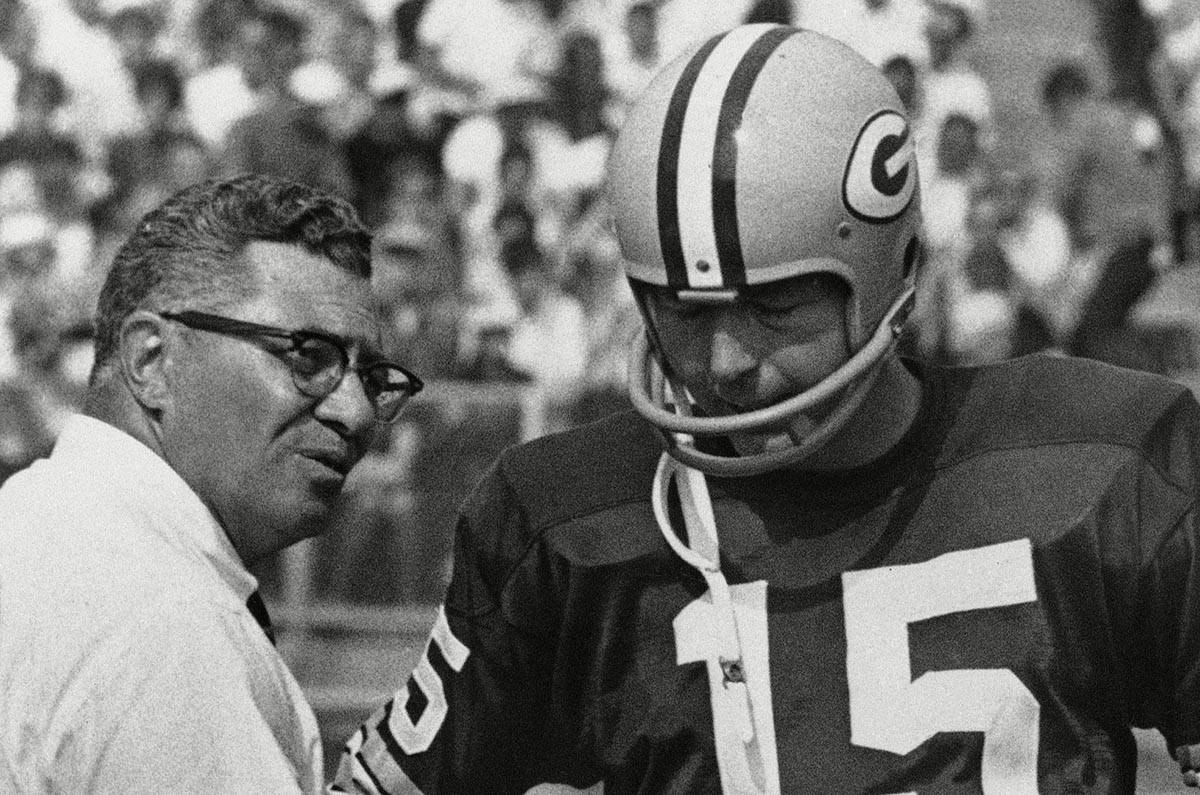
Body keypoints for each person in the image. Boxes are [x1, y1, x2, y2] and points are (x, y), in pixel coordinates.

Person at [334, 24, 1200, 793]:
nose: (726, 362)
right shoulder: (569, 521)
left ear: (893, 271)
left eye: (776, 308)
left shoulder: (1102, 461)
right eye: (684, 309)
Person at [0, 173, 424, 792]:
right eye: (308, 356)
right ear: (151, 360)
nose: (356, 412)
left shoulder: (38, 520)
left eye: (375, 377)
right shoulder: (163, 618)